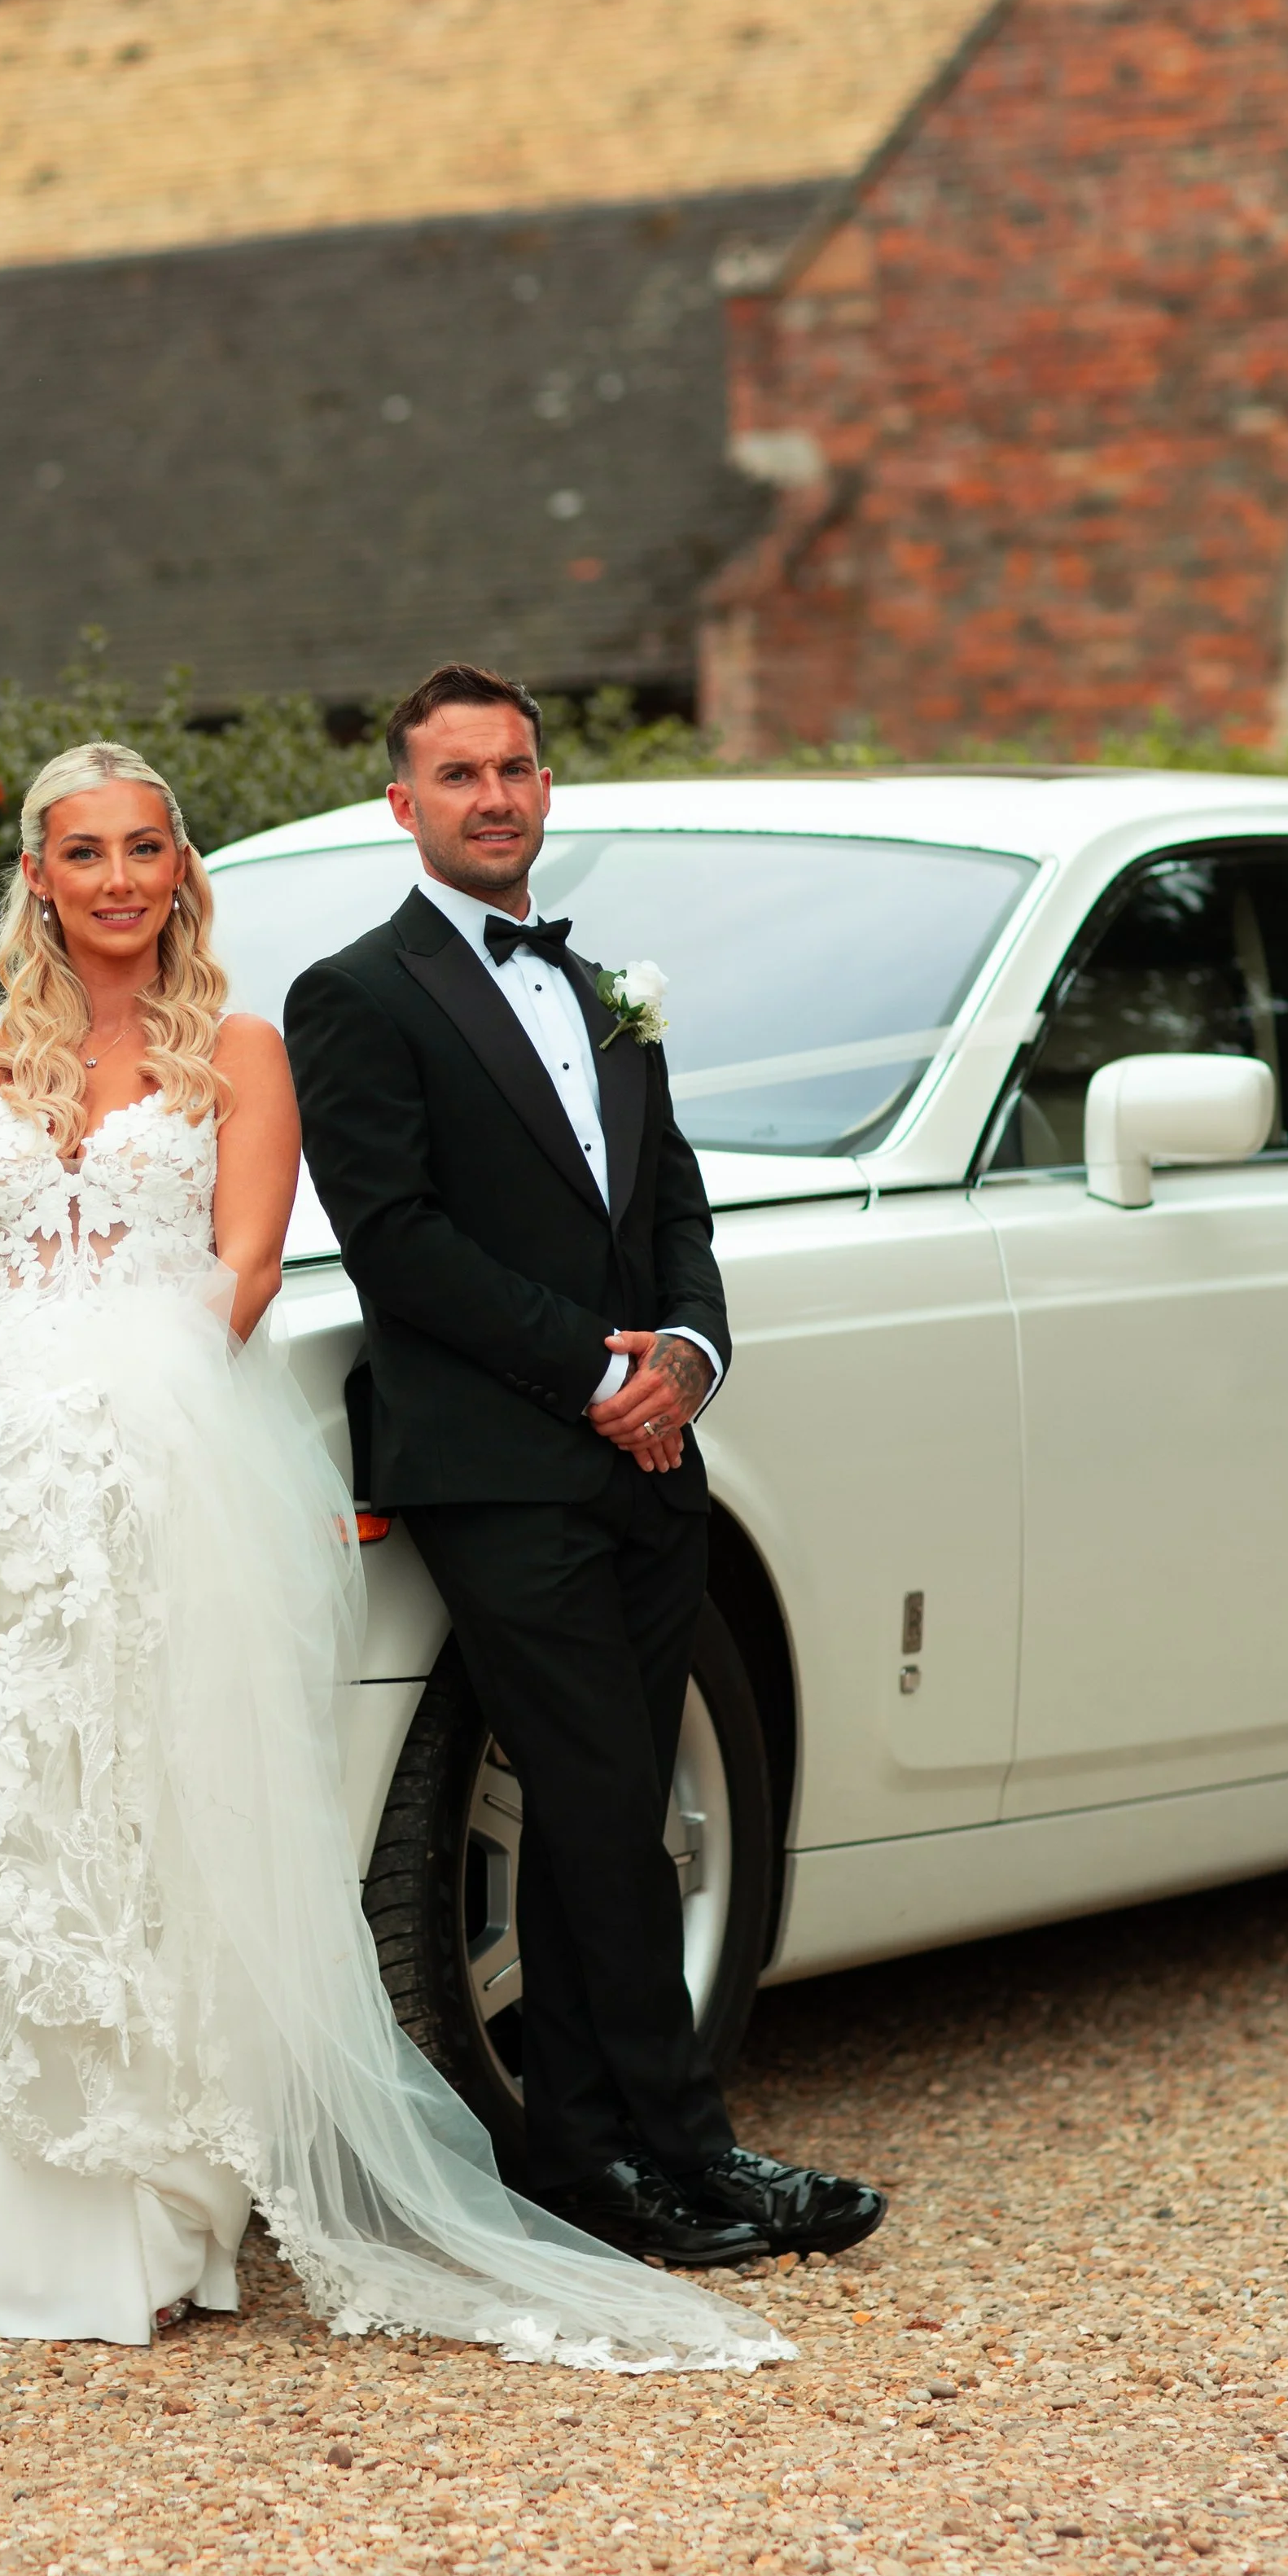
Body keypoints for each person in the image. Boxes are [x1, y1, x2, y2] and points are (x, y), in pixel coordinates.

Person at [0, 738, 790, 2370]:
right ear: (36, 875)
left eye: (141, 849)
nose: (112, 880)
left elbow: (241, 1268)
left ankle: (176, 2217)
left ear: (180, 870)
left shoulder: (239, 1050)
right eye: (80, 852)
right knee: (40, 1839)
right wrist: (0, 1426)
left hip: (167, 1463)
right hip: (13, 1486)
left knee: (172, 1826)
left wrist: (117, 1415)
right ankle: (47, 2245)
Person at [283, 666, 887, 2267]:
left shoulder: (614, 989)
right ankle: (683, 2149)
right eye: (458, 774)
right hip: (496, 1457)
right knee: (602, 1792)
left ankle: (587, 2155)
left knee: (599, 1806)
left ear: (546, 789)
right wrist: (588, 1369)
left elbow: (672, 1206)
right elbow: (392, 1240)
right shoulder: (355, 995)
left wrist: (686, 1352)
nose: (494, 796)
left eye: (517, 769)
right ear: (399, 803)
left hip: (651, 1448)